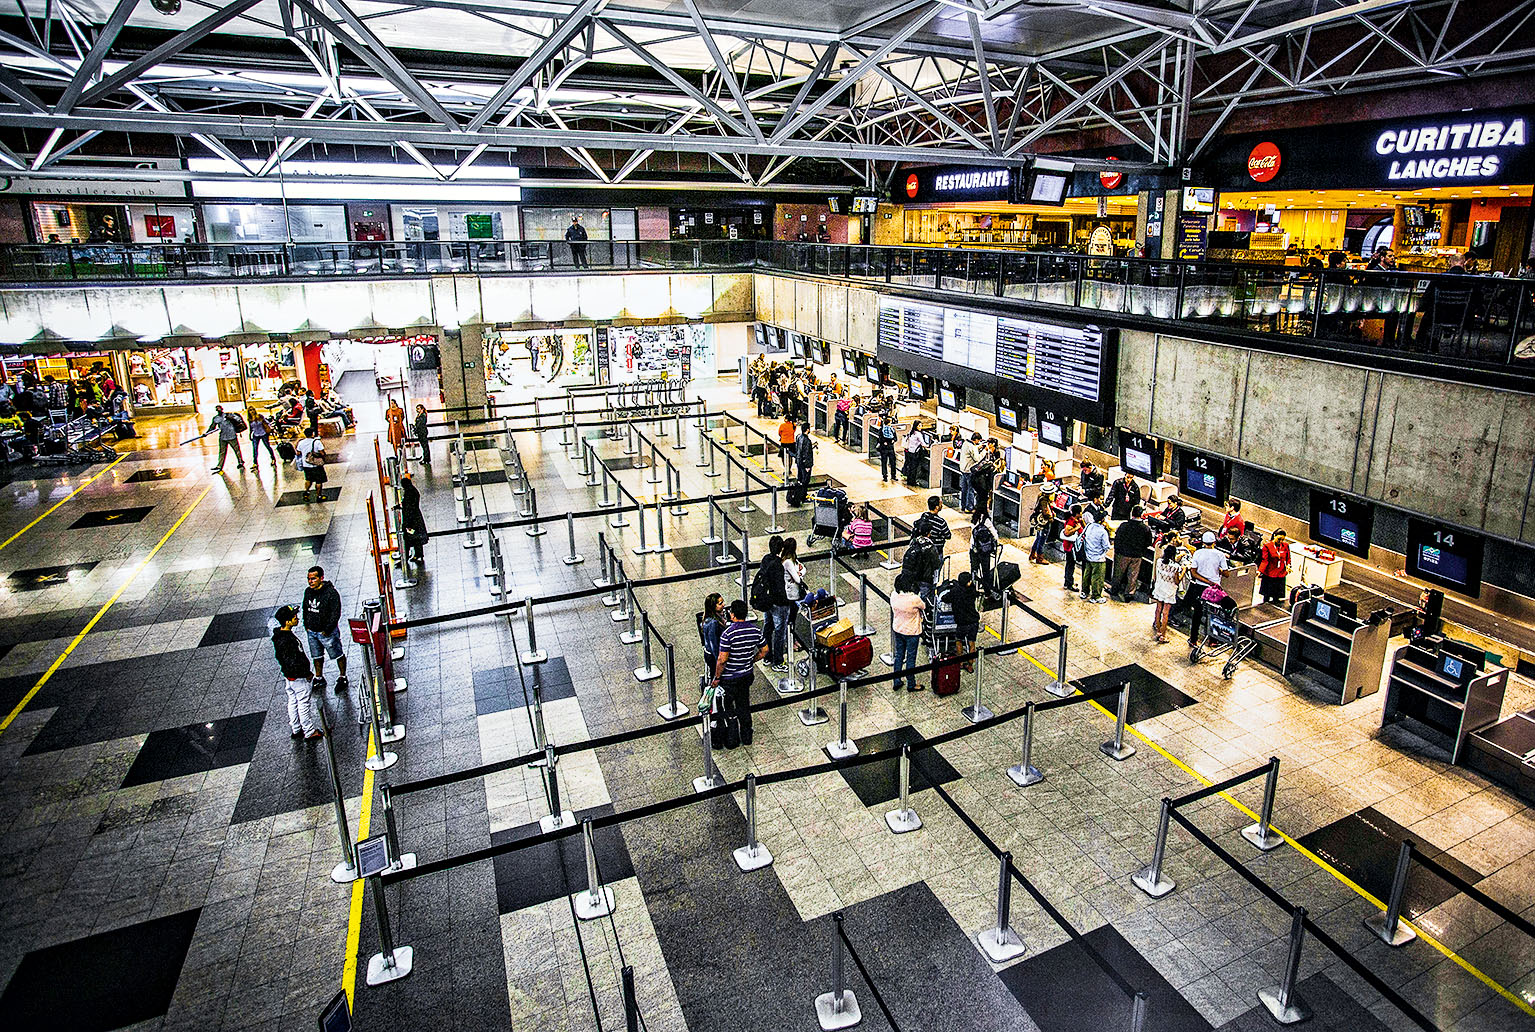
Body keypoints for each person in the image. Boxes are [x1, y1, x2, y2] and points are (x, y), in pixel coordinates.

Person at [710, 600, 767, 748]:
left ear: (732, 614)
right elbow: (764, 650)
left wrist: (716, 678)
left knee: (728, 707)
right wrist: (751, 660)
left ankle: (732, 738)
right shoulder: (755, 630)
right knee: (744, 704)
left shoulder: (727, 634)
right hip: (746, 675)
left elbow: (722, 660)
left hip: (729, 678)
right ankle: (747, 736)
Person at [272, 605, 322, 740]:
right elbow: (294, 661)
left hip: (289, 677)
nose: (297, 618)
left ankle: (296, 728)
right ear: (287, 621)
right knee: (303, 703)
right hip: (299, 677)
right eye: (294, 617)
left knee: (293, 701)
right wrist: (306, 673)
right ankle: (309, 731)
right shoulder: (287, 640)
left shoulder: (279, 637)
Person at [302, 566, 348, 692]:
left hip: (327, 633)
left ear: (321, 578)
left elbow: (335, 613)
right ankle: (319, 677)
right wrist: (306, 624)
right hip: (312, 631)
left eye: (313, 579)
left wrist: (327, 629)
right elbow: (305, 608)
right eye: (309, 579)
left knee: (337, 654)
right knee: (316, 656)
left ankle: (342, 676)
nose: (310, 581)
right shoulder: (308, 592)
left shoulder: (331, 593)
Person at [753, 535, 794, 670]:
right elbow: (779, 586)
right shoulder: (777, 565)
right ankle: (778, 661)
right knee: (779, 632)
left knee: (767, 627)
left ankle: (767, 656)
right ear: (781, 548)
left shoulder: (765, 559)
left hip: (767, 601)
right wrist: (786, 602)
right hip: (778, 603)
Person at [1183, 532, 1231, 646]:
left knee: (1197, 613)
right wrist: (1214, 576)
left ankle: (1193, 639)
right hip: (1214, 590)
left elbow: (1193, 573)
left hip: (1199, 588)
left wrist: (1205, 581)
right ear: (1214, 542)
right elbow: (1227, 574)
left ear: (1203, 542)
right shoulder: (1220, 555)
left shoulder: (1198, 553)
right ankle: (1212, 640)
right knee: (1213, 614)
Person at [889, 574, 927, 691]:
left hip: (898, 629)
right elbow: (924, 606)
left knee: (899, 655)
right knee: (911, 657)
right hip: (911, 632)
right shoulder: (914, 599)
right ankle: (911, 683)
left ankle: (896, 680)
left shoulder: (894, 595)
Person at [1110, 504, 1153, 602]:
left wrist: (1117, 551)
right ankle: (1129, 593)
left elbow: (1117, 539)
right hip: (1137, 555)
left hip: (1122, 554)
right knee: (1133, 575)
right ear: (1142, 515)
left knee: (1118, 573)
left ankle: (1114, 590)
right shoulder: (1145, 529)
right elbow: (1148, 542)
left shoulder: (1124, 525)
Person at [1150, 544, 1190, 644]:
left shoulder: (1159, 561)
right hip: (1169, 591)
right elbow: (1177, 581)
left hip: (1159, 588)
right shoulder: (1175, 567)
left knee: (1158, 610)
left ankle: (1158, 631)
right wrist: (1184, 570)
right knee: (1166, 613)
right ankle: (1163, 635)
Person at [950, 571, 981, 671]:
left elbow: (945, 598)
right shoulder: (972, 591)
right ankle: (970, 666)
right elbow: (976, 593)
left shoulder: (955, 591)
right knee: (971, 643)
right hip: (973, 621)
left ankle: (961, 662)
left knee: (959, 640)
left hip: (962, 622)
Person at [201, 405, 245, 473]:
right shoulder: (216, 418)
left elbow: (238, 420)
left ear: (222, 409)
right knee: (222, 451)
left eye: (219, 409)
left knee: (236, 450)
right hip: (223, 437)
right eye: (217, 409)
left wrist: (232, 418)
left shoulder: (228, 415)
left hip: (231, 435)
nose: (219, 410)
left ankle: (240, 462)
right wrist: (206, 433)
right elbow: (212, 427)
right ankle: (220, 465)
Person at [1080, 511, 1111, 602]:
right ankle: (1096, 596)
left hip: (1088, 555)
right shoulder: (1102, 531)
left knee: (1087, 575)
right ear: (1102, 520)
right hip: (1098, 558)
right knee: (1097, 577)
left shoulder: (1089, 526)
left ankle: (1084, 592)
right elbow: (1106, 546)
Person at [400, 471, 428, 566]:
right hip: (416, 519)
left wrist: (407, 525)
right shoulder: (413, 491)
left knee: (408, 539)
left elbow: (408, 508)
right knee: (416, 538)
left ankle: (407, 557)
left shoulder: (409, 493)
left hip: (411, 521)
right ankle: (418, 554)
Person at [969, 507, 999, 597]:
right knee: (985, 572)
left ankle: (972, 589)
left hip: (973, 548)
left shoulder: (973, 520)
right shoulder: (986, 521)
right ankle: (987, 592)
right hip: (984, 551)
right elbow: (995, 535)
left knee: (974, 570)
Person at [1258, 529, 1292, 605]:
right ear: (1274, 536)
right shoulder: (1267, 546)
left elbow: (1288, 558)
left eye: (1282, 540)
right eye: (1279, 539)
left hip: (1280, 574)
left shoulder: (1285, 545)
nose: (1280, 541)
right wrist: (1260, 571)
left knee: (1277, 597)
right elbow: (1264, 560)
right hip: (1270, 574)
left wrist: (1288, 565)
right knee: (1267, 596)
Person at [294, 426, 328, 503]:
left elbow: (298, 452)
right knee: (319, 481)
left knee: (308, 479)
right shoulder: (317, 442)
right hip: (316, 465)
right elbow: (322, 453)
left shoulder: (301, 442)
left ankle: (306, 492)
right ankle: (319, 496)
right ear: (312, 434)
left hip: (306, 465)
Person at [699, 592, 726, 681]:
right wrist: (720, 662)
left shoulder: (715, 617)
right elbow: (714, 645)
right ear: (713, 607)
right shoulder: (713, 623)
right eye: (720, 603)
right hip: (714, 656)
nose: (723, 605)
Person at [1059, 504, 1085, 592]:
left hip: (1075, 546)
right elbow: (1067, 532)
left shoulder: (1077, 521)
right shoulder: (1071, 522)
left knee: (1071, 564)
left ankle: (1068, 581)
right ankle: (1069, 583)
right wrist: (1076, 528)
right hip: (1070, 547)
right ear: (1077, 513)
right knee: (1070, 564)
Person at [1028, 487, 1056, 564]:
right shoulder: (1044, 501)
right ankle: (1039, 558)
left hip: (1039, 523)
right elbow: (1045, 513)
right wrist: (1051, 518)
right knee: (1042, 540)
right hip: (1044, 523)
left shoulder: (1040, 496)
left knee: (1038, 538)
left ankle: (1033, 554)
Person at [958, 432, 984, 511]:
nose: (978, 442)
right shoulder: (972, 447)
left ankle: (963, 505)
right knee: (971, 490)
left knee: (964, 489)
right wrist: (984, 451)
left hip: (963, 469)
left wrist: (978, 448)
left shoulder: (966, 443)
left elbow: (970, 452)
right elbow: (977, 458)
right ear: (976, 440)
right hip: (969, 471)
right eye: (978, 441)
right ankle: (969, 507)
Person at [875, 415, 898, 483]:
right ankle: (885, 476)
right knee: (884, 462)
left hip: (890, 448)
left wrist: (893, 440)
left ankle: (893, 476)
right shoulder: (882, 430)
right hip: (884, 449)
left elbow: (895, 438)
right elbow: (880, 439)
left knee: (893, 462)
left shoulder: (892, 429)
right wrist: (884, 442)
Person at [794, 422, 815, 490]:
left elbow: (798, 449)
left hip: (799, 461)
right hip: (804, 464)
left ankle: (799, 494)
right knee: (805, 481)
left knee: (800, 478)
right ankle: (803, 496)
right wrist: (807, 465)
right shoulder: (807, 441)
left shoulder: (798, 437)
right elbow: (806, 454)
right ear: (807, 429)